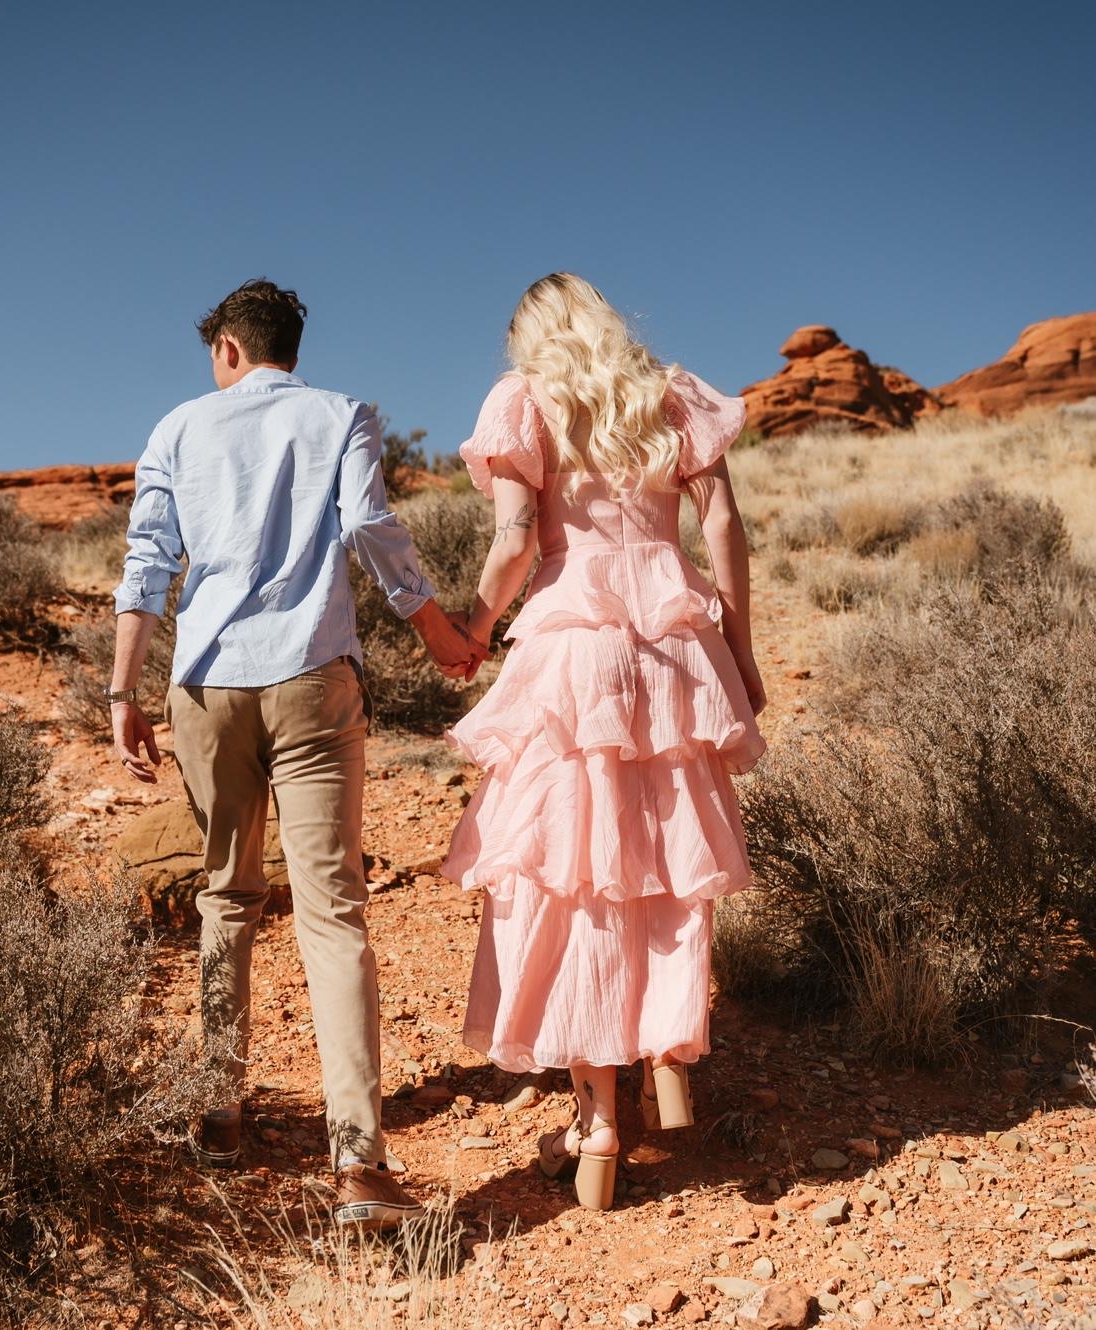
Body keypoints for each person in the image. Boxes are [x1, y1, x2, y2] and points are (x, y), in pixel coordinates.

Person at [109, 278, 487, 1230]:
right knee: (332, 910)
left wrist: (122, 691)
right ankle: (359, 1164)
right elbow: (368, 527)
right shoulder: (339, 413)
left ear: (228, 349)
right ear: (289, 348)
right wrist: (436, 629)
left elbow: (148, 564)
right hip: (314, 675)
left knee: (226, 895)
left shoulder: (176, 429)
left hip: (207, 686)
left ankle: (218, 1111)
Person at [441, 273, 767, 1210]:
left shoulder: (524, 402)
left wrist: (471, 628)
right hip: (673, 642)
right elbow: (722, 523)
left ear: (532, 337)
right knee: (665, 861)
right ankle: (666, 1055)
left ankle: (597, 1123)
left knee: (576, 875)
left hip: (574, 646)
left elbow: (514, 541)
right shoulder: (671, 395)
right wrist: (741, 652)